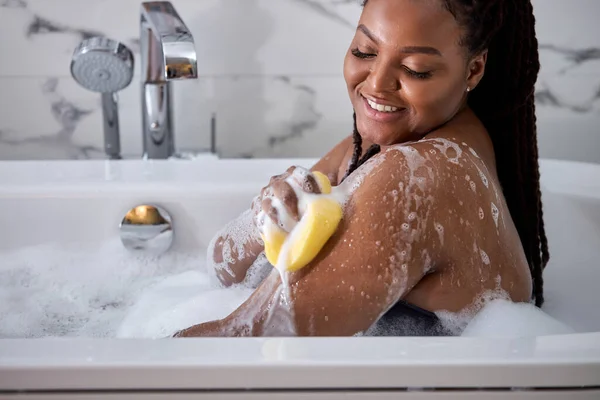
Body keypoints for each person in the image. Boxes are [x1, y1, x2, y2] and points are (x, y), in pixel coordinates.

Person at [174, 0, 549, 337]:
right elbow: (222, 270)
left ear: (474, 69)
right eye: (364, 51)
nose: (376, 84)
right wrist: (265, 219)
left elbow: (245, 344)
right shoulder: (380, 145)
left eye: (415, 69)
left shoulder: (418, 174)